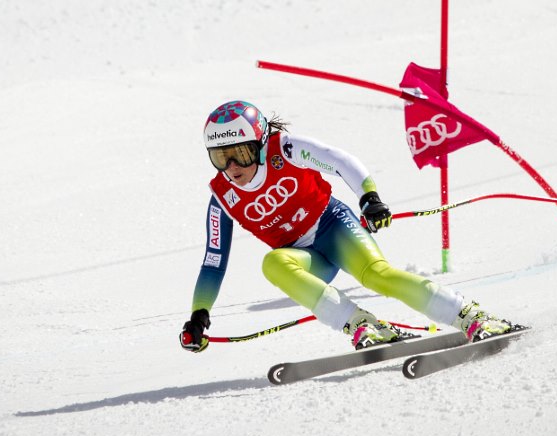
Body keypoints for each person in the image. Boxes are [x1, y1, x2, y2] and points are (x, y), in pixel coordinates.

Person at [180, 100, 520, 353]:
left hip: (332, 226)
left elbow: (339, 160)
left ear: (259, 143)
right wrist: (199, 315)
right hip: (307, 259)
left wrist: (369, 198)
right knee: (272, 263)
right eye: (220, 157)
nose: (232, 166)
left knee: (378, 276)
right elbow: (213, 261)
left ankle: (471, 316)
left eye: (240, 152)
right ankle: (361, 324)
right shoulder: (223, 197)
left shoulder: (283, 149)